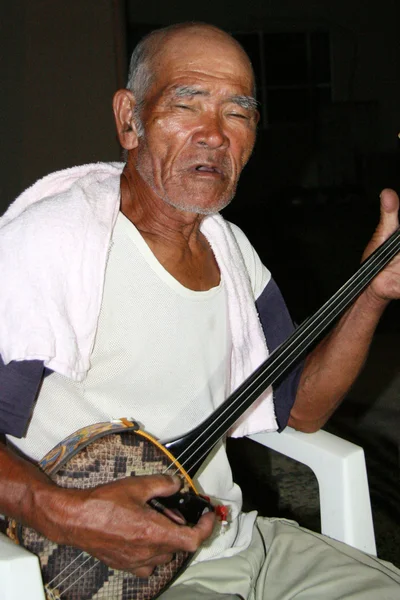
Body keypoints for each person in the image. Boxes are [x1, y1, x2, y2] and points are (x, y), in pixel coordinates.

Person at [0, 21, 399, 599]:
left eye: (238, 113)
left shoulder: (234, 255)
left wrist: (372, 295)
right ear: (129, 120)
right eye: (187, 104)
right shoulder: (49, 244)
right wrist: (59, 510)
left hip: (240, 546)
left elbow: (303, 410)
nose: (215, 134)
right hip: (111, 575)